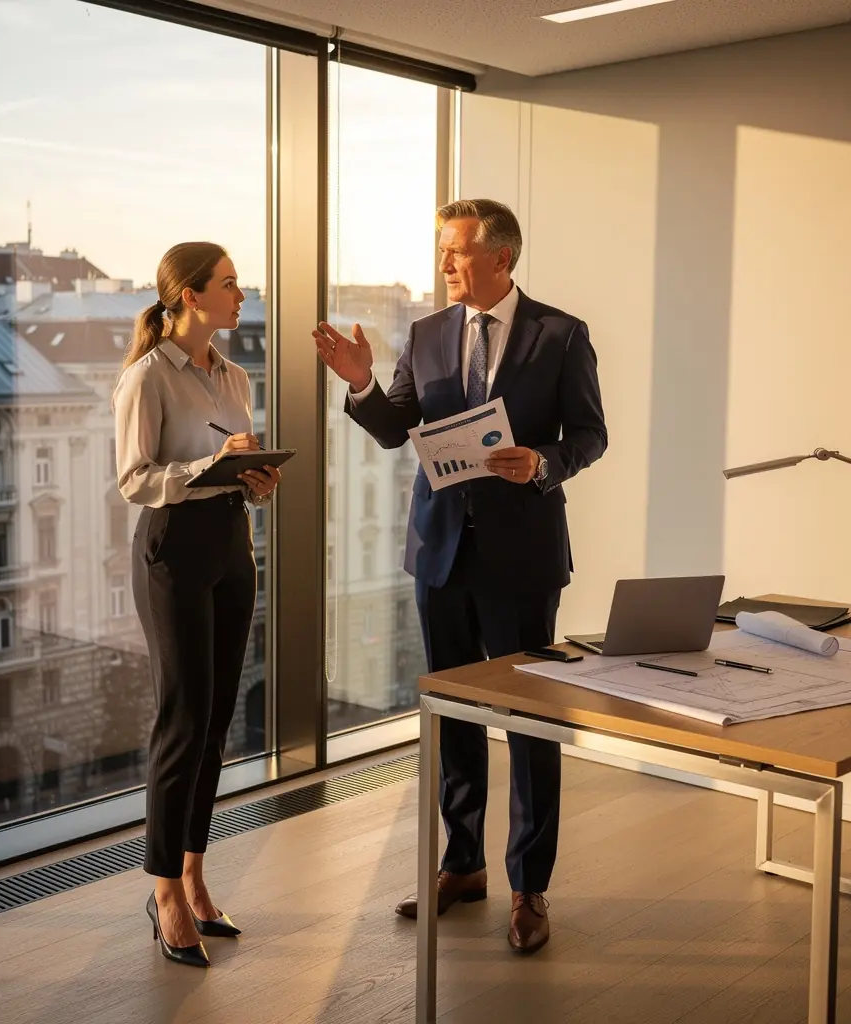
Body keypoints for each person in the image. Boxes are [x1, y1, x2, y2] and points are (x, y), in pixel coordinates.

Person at [313, 199, 607, 955]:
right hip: (439, 553)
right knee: (454, 714)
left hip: (522, 558)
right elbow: (393, 430)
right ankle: (463, 864)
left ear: (500, 257)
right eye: (441, 249)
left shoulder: (560, 334)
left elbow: (590, 434)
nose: (444, 263)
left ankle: (530, 886)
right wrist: (360, 384)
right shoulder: (427, 334)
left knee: (530, 723)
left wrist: (542, 463)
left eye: (457, 250)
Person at [114, 242, 281, 967]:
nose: (241, 295)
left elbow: (230, 471)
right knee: (181, 721)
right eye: (229, 284)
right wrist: (211, 467)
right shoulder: (147, 377)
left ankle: (193, 874)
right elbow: (134, 479)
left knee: (215, 723)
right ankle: (162, 892)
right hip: (173, 551)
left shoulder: (235, 375)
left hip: (231, 546)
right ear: (190, 296)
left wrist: (253, 480)